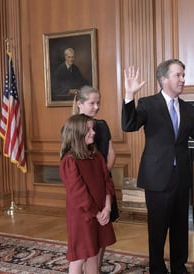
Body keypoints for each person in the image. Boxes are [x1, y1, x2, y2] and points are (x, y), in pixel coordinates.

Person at [121, 60, 194, 274]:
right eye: (178, 75)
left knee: (179, 227)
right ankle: (157, 268)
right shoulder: (148, 104)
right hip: (157, 177)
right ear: (164, 79)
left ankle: (179, 266)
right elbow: (129, 125)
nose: (183, 79)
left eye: (183, 75)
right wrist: (129, 96)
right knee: (157, 228)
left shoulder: (188, 108)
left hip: (181, 176)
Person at [60, 114, 116, 274]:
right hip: (82, 217)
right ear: (77, 134)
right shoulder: (69, 161)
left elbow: (107, 181)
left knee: (94, 253)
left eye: (93, 128)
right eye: (88, 129)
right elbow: (79, 193)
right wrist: (97, 213)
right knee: (79, 257)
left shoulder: (97, 156)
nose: (93, 132)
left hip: (101, 212)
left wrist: (107, 207)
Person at [72, 85, 117, 269]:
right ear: (79, 104)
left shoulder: (102, 125)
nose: (96, 107)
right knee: (87, 235)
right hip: (85, 189)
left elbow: (111, 153)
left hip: (104, 184)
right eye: (92, 103)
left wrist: (102, 176)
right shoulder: (72, 127)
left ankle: (95, 268)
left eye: (98, 103)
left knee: (103, 231)